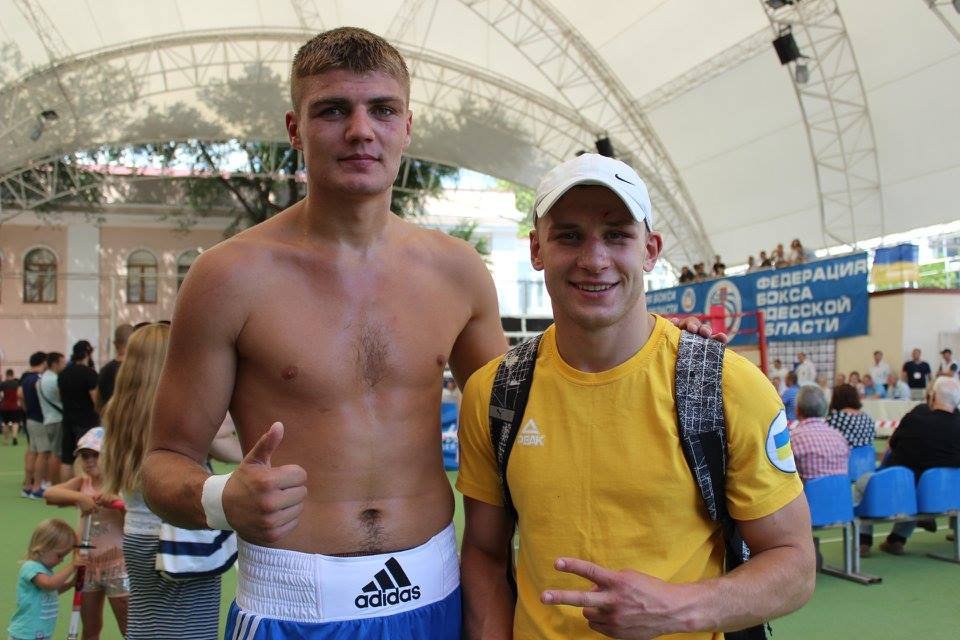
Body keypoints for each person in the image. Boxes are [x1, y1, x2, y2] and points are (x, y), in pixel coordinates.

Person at [457, 153, 814, 639]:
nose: (594, 260)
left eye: (617, 235)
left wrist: (676, 609)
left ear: (650, 250)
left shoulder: (729, 386)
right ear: (537, 249)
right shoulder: (495, 392)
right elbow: (484, 554)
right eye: (569, 236)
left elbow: (795, 565)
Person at [44, 427, 128, 639]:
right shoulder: (82, 483)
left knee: (129, 627)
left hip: (118, 565)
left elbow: (134, 520)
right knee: (90, 627)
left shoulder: (120, 484)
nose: (89, 460)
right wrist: (80, 498)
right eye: (84, 456)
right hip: (87, 564)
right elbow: (50, 494)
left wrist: (118, 503)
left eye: (95, 455)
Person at [860, 377, 960, 556]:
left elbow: (891, 445)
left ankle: (863, 541)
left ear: (933, 396)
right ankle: (897, 539)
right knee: (916, 486)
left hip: (904, 489)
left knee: (863, 483)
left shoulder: (915, 418)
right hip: (946, 494)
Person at [7, 518, 76, 640]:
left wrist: (71, 583)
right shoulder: (30, 567)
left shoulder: (46, 571)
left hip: (41, 633)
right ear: (43, 548)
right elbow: (49, 585)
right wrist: (73, 565)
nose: (61, 560)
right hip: (25, 634)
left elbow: (53, 590)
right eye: (59, 555)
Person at [58, 341, 99, 482]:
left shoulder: (63, 374)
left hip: (68, 419)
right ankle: (86, 487)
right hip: (87, 420)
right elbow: (95, 398)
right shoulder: (90, 373)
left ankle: (66, 488)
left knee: (67, 459)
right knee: (87, 456)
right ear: (87, 353)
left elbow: (60, 396)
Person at [789, 385, 849, 482]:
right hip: (841, 491)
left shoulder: (793, 439)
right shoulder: (840, 437)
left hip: (807, 491)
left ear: (797, 410)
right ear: (824, 409)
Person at [20, 352, 47, 498]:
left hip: (30, 418)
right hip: (40, 419)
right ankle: (37, 487)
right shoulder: (38, 379)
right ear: (43, 362)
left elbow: (20, 395)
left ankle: (27, 486)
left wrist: (26, 409)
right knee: (43, 453)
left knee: (32, 451)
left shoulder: (26, 379)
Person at [36, 352, 65, 488]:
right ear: (55, 364)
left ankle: (49, 481)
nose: (64, 366)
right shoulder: (55, 380)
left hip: (48, 418)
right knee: (57, 454)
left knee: (52, 452)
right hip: (57, 418)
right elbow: (61, 397)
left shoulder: (40, 380)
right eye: (62, 363)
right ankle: (55, 483)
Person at [97, 324, 134, 410]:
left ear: (115, 343)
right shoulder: (138, 370)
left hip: (109, 416)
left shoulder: (104, 370)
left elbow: (98, 402)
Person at [826, 383, 876, 448]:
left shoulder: (835, 418)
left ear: (836, 399)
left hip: (844, 453)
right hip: (868, 453)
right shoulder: (867, 417)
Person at [1, 368, 22, 446]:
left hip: (4, 407)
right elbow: (19, 394)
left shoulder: (2, 384)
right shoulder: (17, 384)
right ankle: (14, 437)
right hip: (15, 406)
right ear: (13, 375)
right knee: (15, 423)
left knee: (5, 423)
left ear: (6, 375)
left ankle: (6, 441)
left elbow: (1, 395)